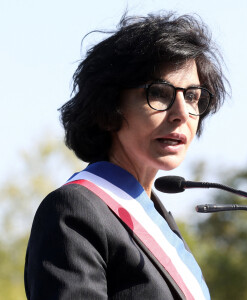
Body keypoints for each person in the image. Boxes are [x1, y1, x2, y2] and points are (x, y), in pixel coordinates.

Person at [24, 12, 227, 300]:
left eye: (193, 96)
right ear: (109, 111)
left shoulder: (158, 219)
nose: (182, 113)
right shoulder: (73, 211)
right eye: (159, 93)